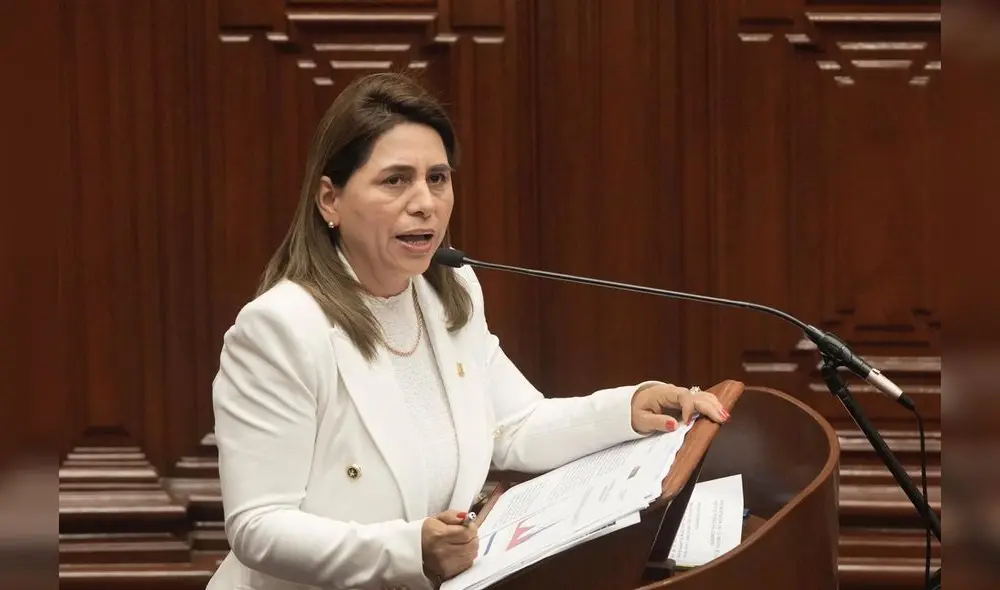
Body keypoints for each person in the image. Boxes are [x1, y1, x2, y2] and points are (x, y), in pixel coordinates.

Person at [207, 72, 729, 590]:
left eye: (437, 178)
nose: (425, 201)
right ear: (330, 201)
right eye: (395, 180)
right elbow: (258, 528)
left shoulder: (447, 292)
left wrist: (628, 409)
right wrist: (410, 551)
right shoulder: (281, 328)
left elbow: (515, 426)